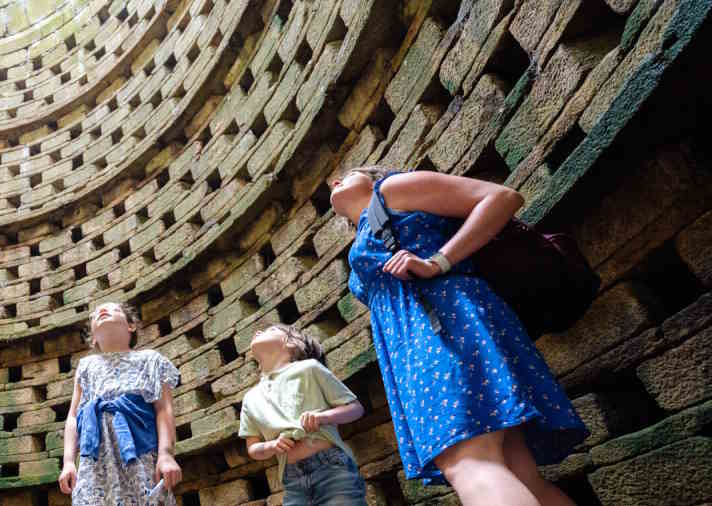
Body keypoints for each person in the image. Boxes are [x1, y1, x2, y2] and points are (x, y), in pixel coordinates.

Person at [331, 166, 588, 506]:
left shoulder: (392, 189)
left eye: (348, 173)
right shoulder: (365, 230)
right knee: (517, 473)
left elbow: (501, 198)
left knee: (467, 462)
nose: (336, 182)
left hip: (444, 327)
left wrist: (438, 261)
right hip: (422, 340)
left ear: (374, 175)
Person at [58, 302, 182, 505]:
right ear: (93, 338)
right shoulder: (86, 367)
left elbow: (163, 409)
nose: (102, 311)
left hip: (139, 453)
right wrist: (69, 462)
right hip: (95, 462)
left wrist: (166, 455)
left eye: (113, 309)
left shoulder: (150, 360)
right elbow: (73, 416)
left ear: (131, 326)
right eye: (96, 314)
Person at [239, 324, 367, 506]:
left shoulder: (309, 368)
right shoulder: (250, 398)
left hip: (332, 470)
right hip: (292, 481)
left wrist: (323, 417)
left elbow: (355, 408)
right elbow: (252, 449)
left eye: (270, 330)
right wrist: (272, 446)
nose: (258, 332)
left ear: (291, 343)